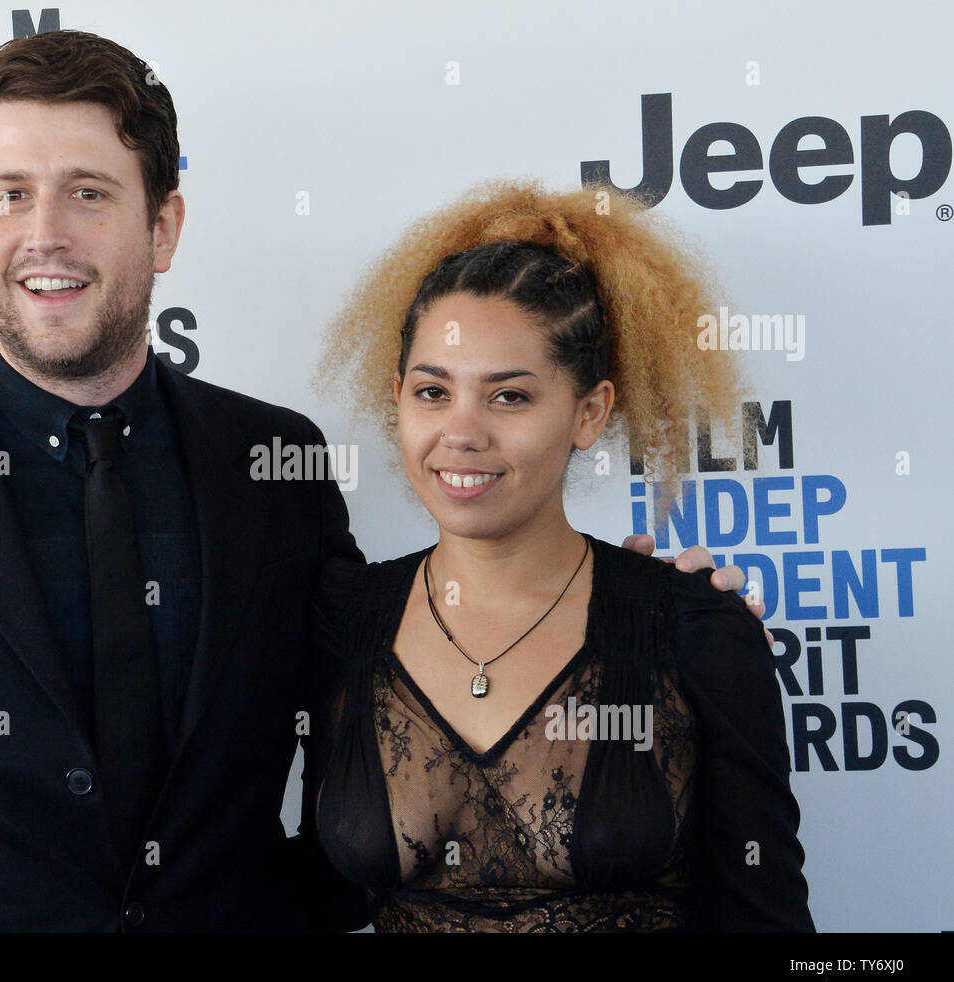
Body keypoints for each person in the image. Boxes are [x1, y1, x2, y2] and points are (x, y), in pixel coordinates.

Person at [0, 31, 752, 932]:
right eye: (9, 196)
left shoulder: (274, 468)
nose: (45, 234)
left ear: (162, 227)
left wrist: (634, 624)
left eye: (88, 194)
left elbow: (392, 710)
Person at [311, 180, 813, 932]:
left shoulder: (697, 626)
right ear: (397, 398)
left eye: (510, 396)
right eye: (432, 391)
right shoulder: (341, 617)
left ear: (590, 412)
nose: (462, 433)